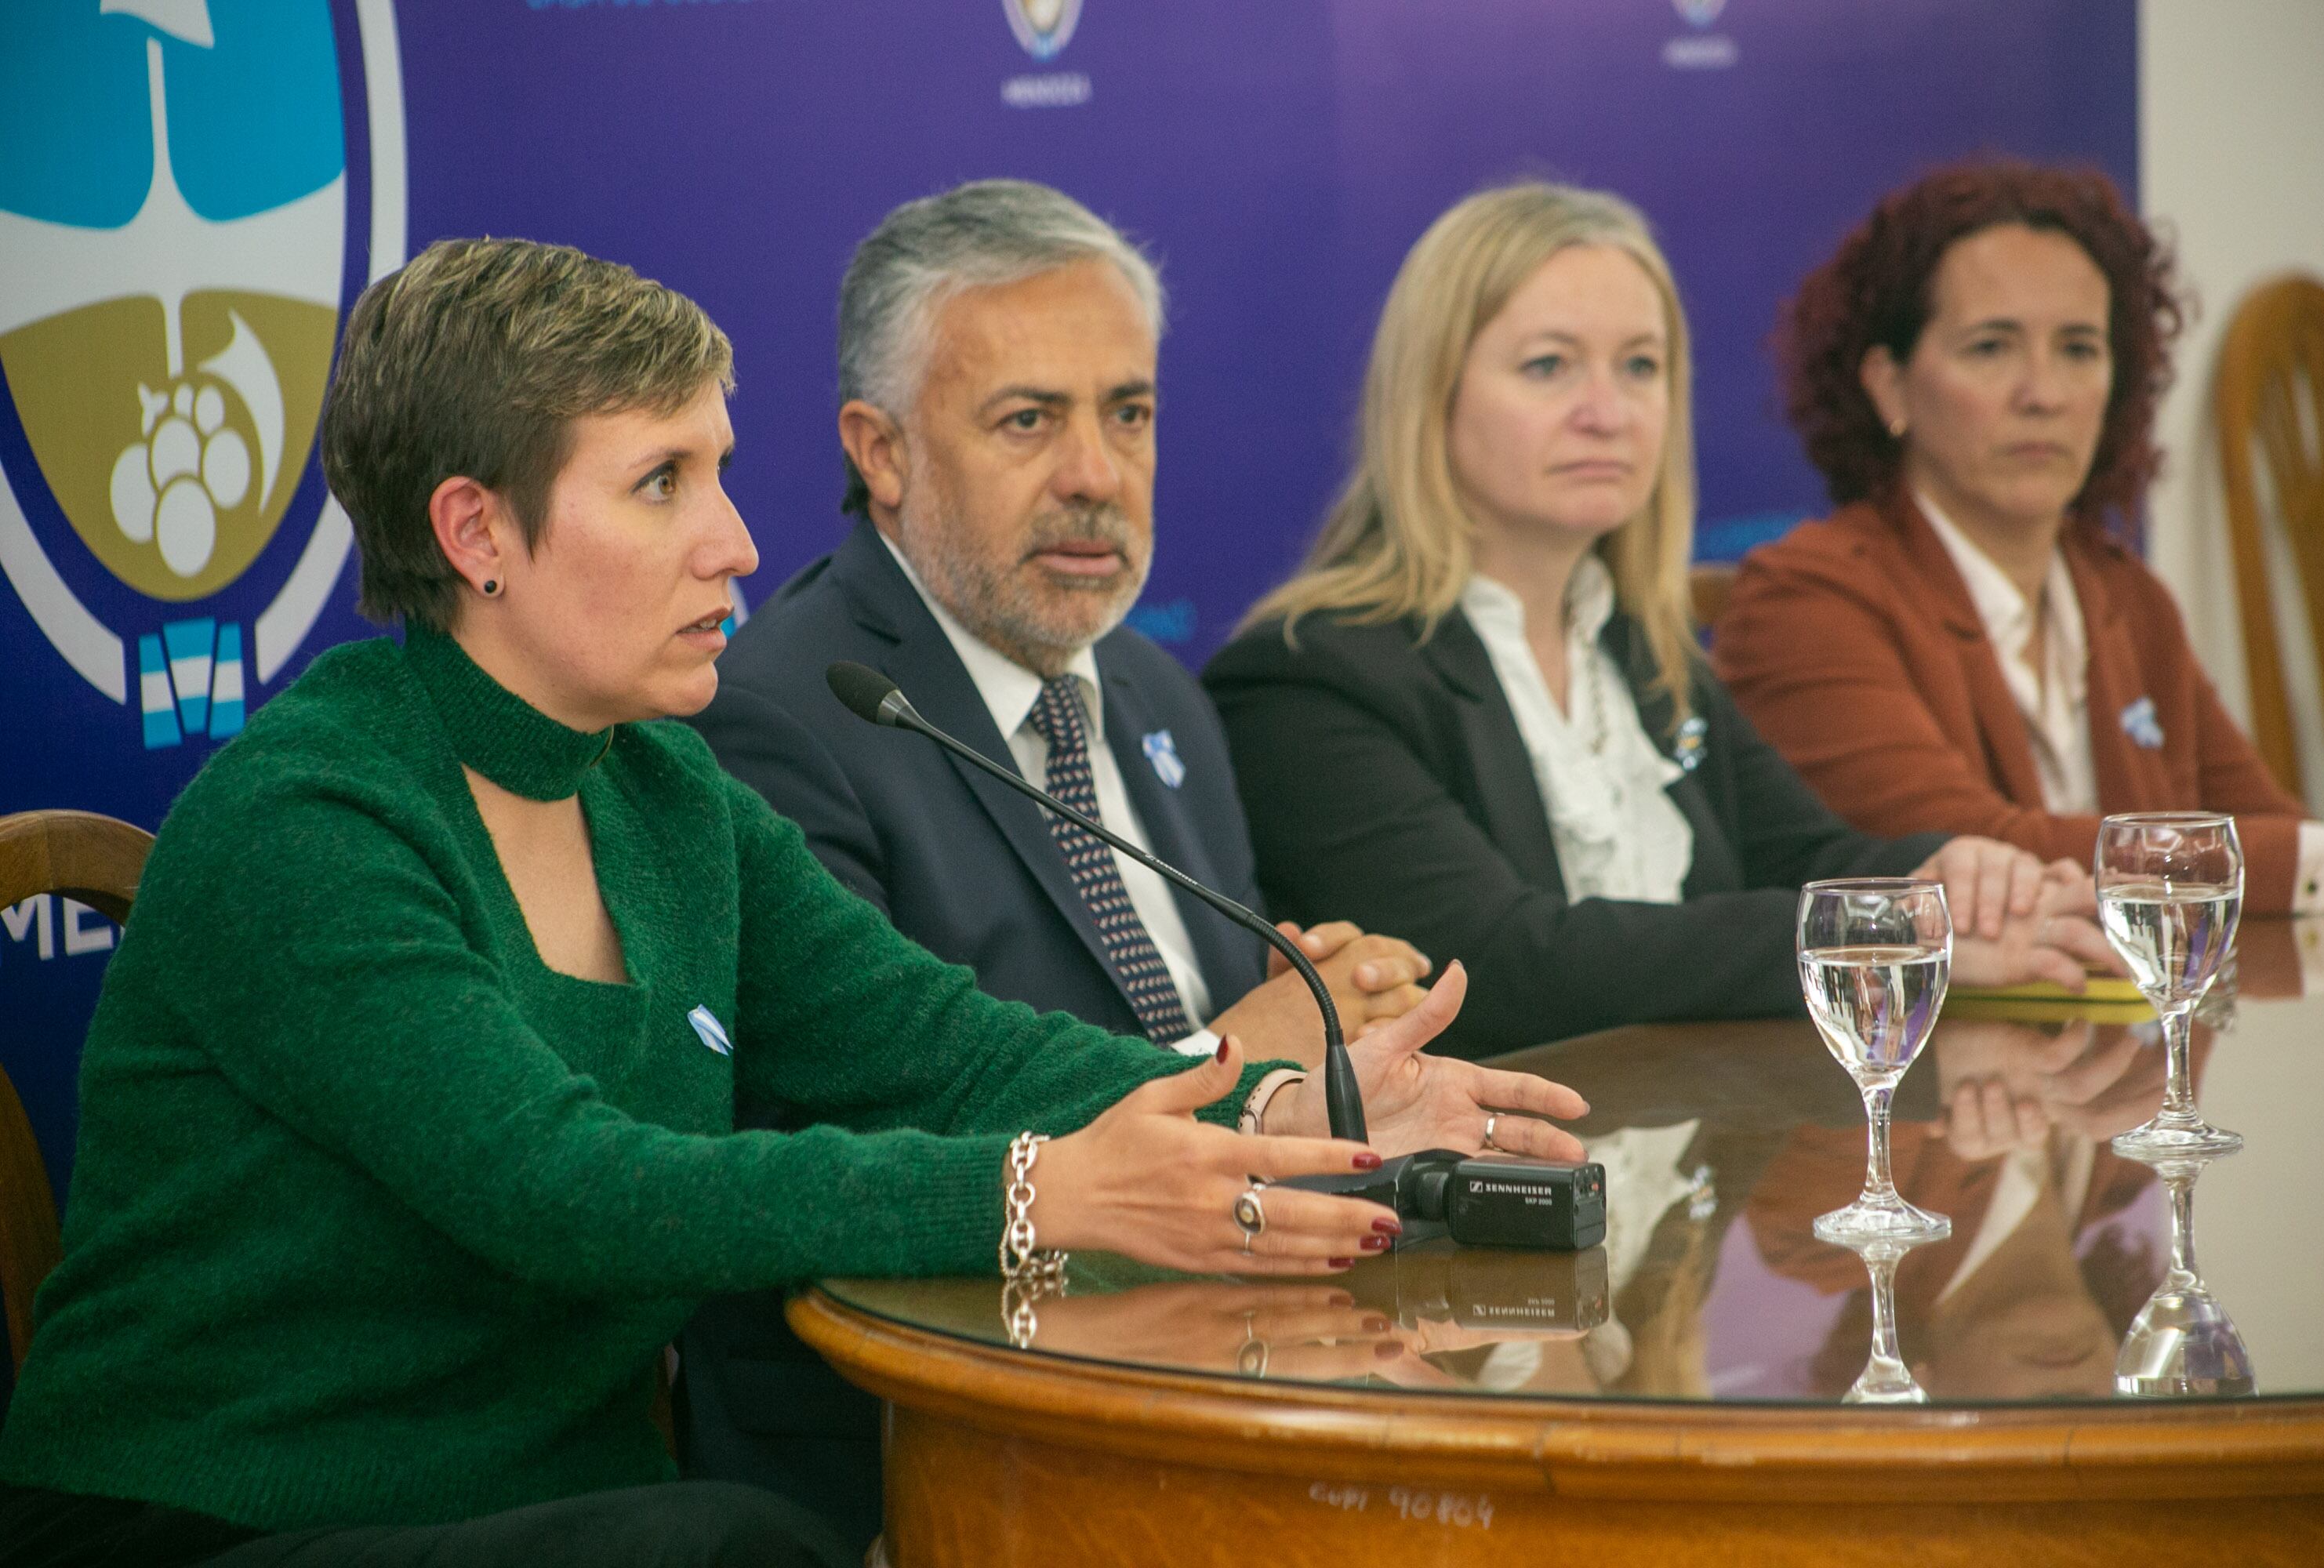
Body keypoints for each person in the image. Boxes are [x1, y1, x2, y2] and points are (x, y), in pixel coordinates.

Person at [0, 238, 1587, 1568]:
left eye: (724, 471)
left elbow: (949, 1051)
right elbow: (566, 1188)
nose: (739, 544)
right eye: (660, 482)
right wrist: (1033, 1197)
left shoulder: (665, 792)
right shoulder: (313, 816)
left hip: (560, 1511)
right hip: (220, 1521)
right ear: (477, 530)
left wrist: (1285, 1092)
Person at [681, 178, 1436, 1541]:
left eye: (1127, 414)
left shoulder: (1154, 694)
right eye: (1030, 420)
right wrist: (1228, 1060)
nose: (1097, 474)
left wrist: (1331, 1015)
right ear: (884, 450)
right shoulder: (783, 717)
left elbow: (1242, 1001)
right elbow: (852, 1150)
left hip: (1235, 1354)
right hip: (948, 1431)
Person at [1204, 183, 2111, 1060]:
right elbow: (1506, 963)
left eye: (1641, 366)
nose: (1608, 414)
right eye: (1549, 366)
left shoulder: (1635, 648)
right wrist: (1887, 927)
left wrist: (1954, 879)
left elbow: (1803, 852)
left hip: (1681, 1167)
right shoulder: (1305, 682)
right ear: (1430, 399)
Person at [1714, 160, 2324, 917]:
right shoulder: (1805, 603)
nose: (2043, 394)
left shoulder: (2123, 593)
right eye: (1992, 347)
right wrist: (2321, 860)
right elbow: (1980, 857)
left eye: (2079, 349)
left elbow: (2269, 830)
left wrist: (2312, 859)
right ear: (1888, 386)